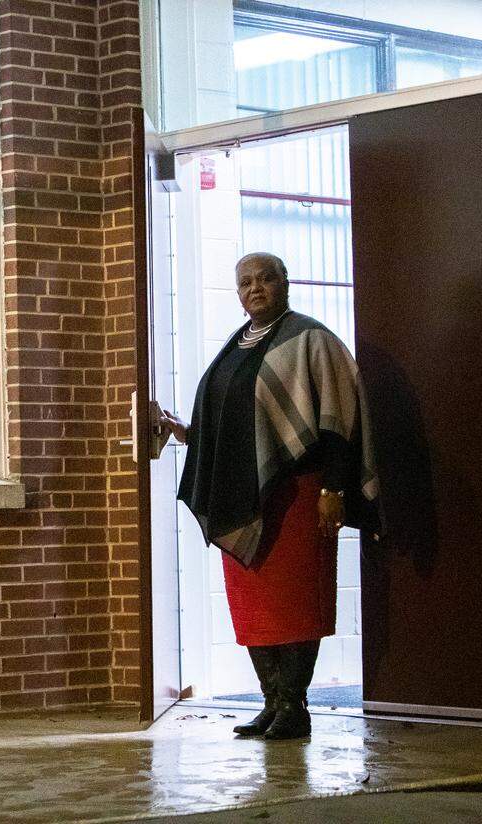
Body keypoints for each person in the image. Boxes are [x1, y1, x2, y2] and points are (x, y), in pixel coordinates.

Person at [160, 252, 379, 741]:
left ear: (285, 283)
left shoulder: (311, 339)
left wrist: (333, 489)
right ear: (237, 294)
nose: (254, 288)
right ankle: (272, 702)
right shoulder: (237, 346)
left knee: (298, 602)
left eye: (264, 279)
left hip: (298, 496)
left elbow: (338, 420)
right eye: (244, 283)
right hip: (240, 497)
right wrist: (190, 433)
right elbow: (242, 427)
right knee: (253, 607)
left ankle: (295, 707)